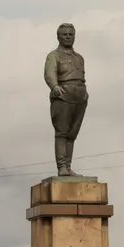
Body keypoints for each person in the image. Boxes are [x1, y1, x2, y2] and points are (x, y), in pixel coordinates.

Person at [44, 23, 89, 176]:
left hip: (80, 96)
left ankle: (68, 167)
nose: (68, 37)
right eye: (65, 34)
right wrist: (54, 86)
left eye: (70, 34)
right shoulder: (54, 56)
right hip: (63, 95)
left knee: (72, 134)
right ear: (58, 36)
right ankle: (62, 167)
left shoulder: (79, 58)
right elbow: (50, 74)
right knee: (62, 133)